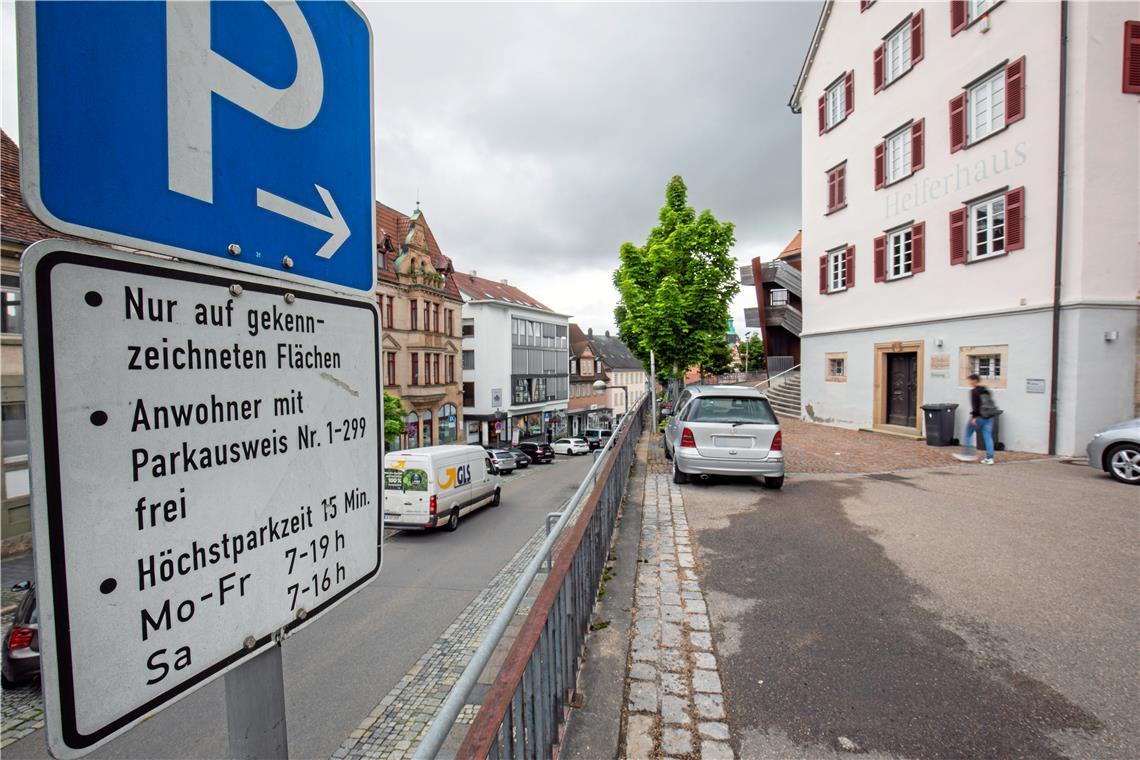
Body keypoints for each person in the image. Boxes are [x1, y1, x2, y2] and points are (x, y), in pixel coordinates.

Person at [954, 374, 995, 464]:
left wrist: (974, 417)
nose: (970, 382)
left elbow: (975, 406)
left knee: (968, 433)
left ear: (974, 381)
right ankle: (990, 458)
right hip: (988, 417)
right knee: (988, 437)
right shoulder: (986, 390)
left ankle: (968, 454)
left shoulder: (974, 391)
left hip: (978, 417)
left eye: (970, 380)